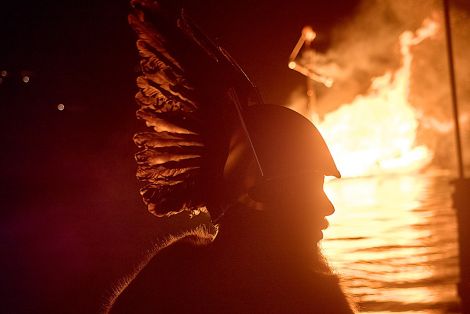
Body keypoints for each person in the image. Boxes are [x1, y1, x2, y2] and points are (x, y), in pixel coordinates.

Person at [104, 104, 355, 313]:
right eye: (309, 190)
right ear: (264, 198)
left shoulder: (170, 273)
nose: (328, 207)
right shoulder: (313, 300)